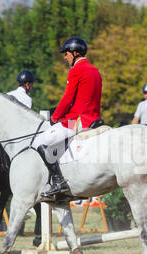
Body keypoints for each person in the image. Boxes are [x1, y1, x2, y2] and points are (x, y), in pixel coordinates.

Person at [33, 37, 102, 197]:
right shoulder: (95, 70)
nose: (65, 57)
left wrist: (55, 118)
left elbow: (67, 98)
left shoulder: (76, 70)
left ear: (75, 53)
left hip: (77, 121)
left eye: (66, 54)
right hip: (94, 118)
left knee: (39, 142)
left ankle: (58, 181)